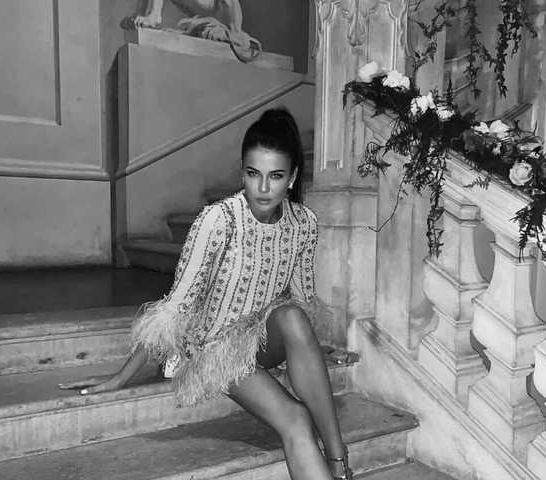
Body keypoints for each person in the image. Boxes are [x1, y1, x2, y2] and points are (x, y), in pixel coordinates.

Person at [59, 108, 352, 480]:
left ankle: (339, 457)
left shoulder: (303, 223)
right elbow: (176, 308)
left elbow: (303, 301)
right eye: (253, 174)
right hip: (213, 348)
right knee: (295, 418)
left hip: (260, 340)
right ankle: (338, 467)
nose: (263, 188)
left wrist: (311, 352)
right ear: (242, 172)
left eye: (276, 176)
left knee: (293, 315)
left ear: (292, 177)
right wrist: (119, 378)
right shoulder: (219, 220)